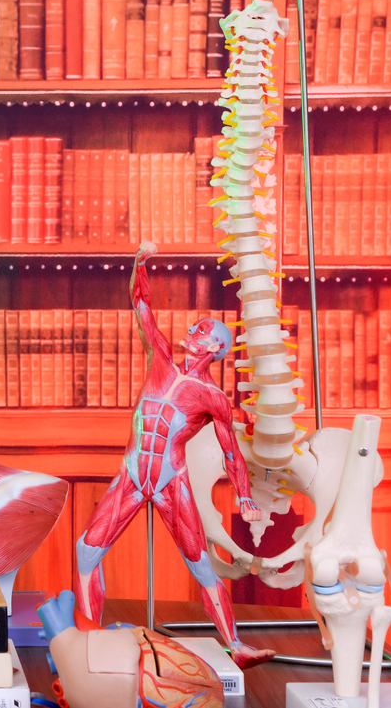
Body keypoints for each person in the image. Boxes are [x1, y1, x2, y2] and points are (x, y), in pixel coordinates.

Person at [73, 242, 274, 669]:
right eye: (196, 327)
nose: (193, 331)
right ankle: (88, 637)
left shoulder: (213, 398)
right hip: (132, 474)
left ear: (215, 348)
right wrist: (140, 264)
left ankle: (235, 646)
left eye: (202, 331)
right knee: (86, 551)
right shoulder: (160, 358)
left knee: (201, 565)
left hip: (170, 481)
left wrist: (244, 497)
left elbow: (232, 452)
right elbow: (141, 304)